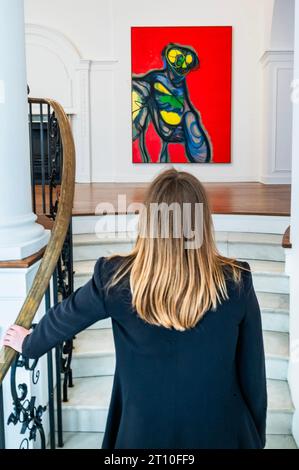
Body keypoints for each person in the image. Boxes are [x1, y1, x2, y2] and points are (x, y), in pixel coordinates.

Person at [3, 168, 267, 449]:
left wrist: (30, 342)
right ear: (201, 222)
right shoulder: (236, 279)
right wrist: (255, 435)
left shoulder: (115, 278)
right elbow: (253, 370)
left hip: (141, 434)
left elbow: (67, 316)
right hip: (222, 433)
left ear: (149, 221)